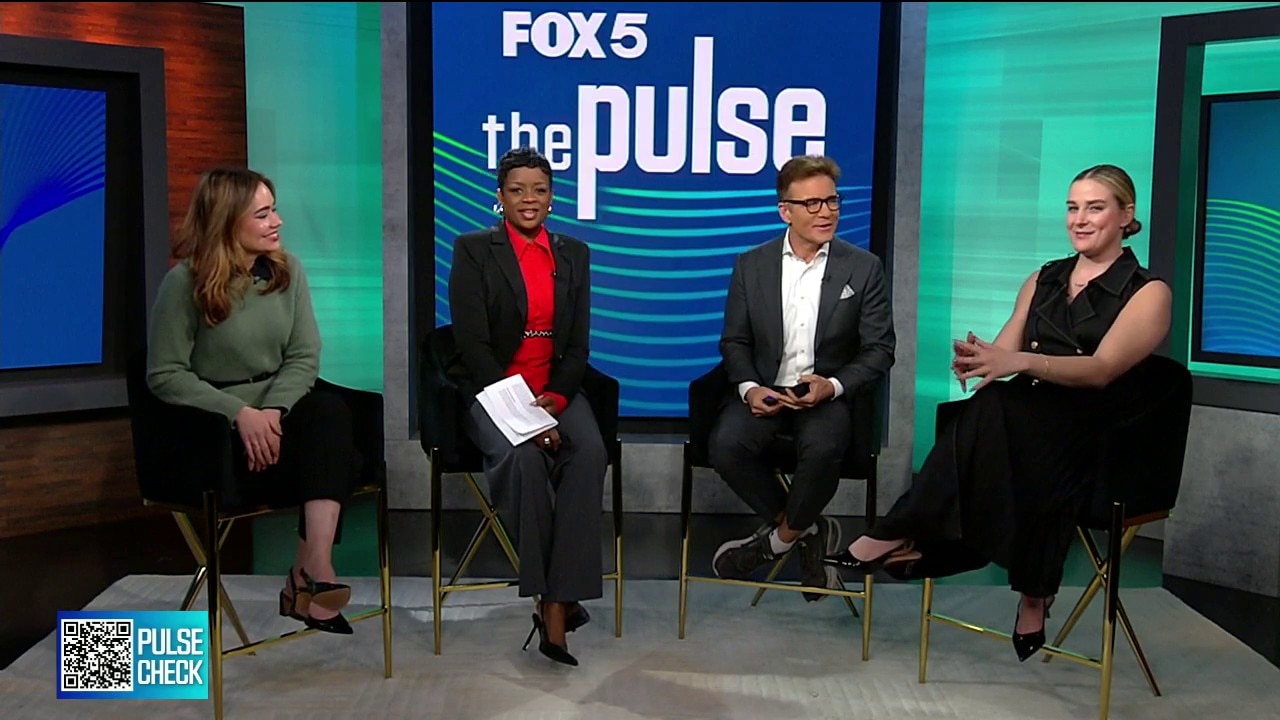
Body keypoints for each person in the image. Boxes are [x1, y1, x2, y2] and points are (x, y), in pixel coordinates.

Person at [826, 164, 1174, 661]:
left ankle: (915, 535)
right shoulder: (1043, 278)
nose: (1079, 219)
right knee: (990, 405)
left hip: (1097, 431)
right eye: (1072, 208)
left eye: (1095, 208)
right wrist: (981, 360)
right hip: (1028, 418)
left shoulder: (1148, 291)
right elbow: (1005, 353)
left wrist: (1019, 363)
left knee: (1000, 413)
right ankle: (1029, 589)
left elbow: (1101, 371)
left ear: (1126, 215)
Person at [147, 167, 359, 635]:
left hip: (278, 422)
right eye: (263, 214)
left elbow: (304, 357)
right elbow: (164, 375)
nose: (277, 222)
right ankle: (305, 584)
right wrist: (239, 414)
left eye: (274, 210)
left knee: (330, 413)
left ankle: (315, 568)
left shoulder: (287, 272)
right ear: (226, 221)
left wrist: (271, 413)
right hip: (216, 437)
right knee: (333, 450)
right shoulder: (183, 284)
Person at [446, 146, 607, 667]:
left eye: (539, 189)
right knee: (524, 459)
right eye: (517, 190)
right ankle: (550, 600)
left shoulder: (574, 253)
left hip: (554, 390)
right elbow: (472, 347)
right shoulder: (474, 250)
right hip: (497, 391)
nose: (529, 199)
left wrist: (555, 399)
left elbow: (577, 345)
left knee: (589, 453)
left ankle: (558, 599)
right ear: (500, 197)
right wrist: (524, 416)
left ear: (553, 197)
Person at [708, 155, 896, 601]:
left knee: (823, 448)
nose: (826, 212)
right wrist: (750, 388)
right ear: (785, 211)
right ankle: (809, 529)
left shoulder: (863, 267)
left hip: (827, 396)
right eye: (812, 204)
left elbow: (880, 349)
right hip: (769, 390)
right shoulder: (751, 265)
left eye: (832, 201)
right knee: (726, 444)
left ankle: (777, 541)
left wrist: (832, 385)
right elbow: (734, 341)